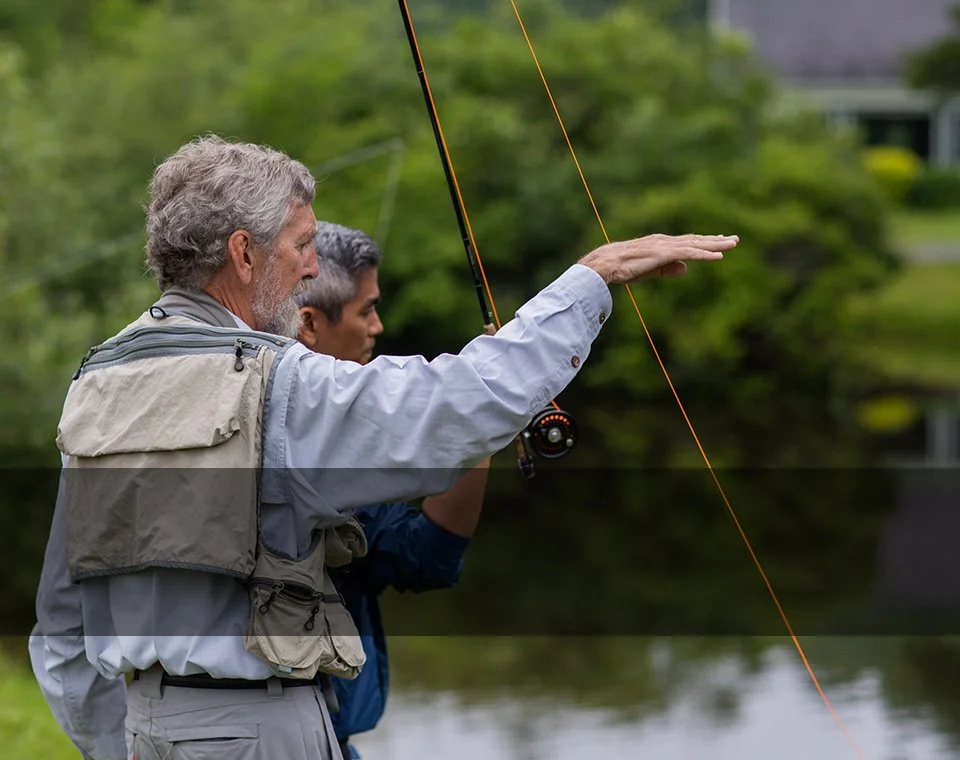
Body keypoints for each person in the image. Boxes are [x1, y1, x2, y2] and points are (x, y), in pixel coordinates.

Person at [28, 134, 738, 760]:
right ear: (244, 254)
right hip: (262, 731)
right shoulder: (277, 383)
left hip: (146, 727)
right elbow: (457, 404)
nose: (312, 268)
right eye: (301, 245)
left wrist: (118, 743)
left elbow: (62, 625)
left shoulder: (97, 382)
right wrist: (590, 280)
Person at [296, 221, 490, 759]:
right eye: (367, 311)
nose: (378, 327)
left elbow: (421, 556)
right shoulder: (319, 453)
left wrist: (480, 428)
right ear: (309, 323)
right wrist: (480, 416)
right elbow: (425, 556)